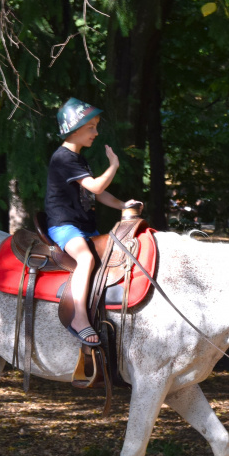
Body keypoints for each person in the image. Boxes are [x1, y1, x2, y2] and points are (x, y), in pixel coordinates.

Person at [46, 97, 142, 346]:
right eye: (91, 127)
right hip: (64, 224)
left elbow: (97, 194)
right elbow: (97, 184)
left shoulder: (78, 159)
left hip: (84, 226)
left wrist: (122, 205)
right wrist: (114, 165)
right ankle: (79, 319)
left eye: (96, 127)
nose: (96, 133)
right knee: (86, 259)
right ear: (74, 129)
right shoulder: (63, 158)